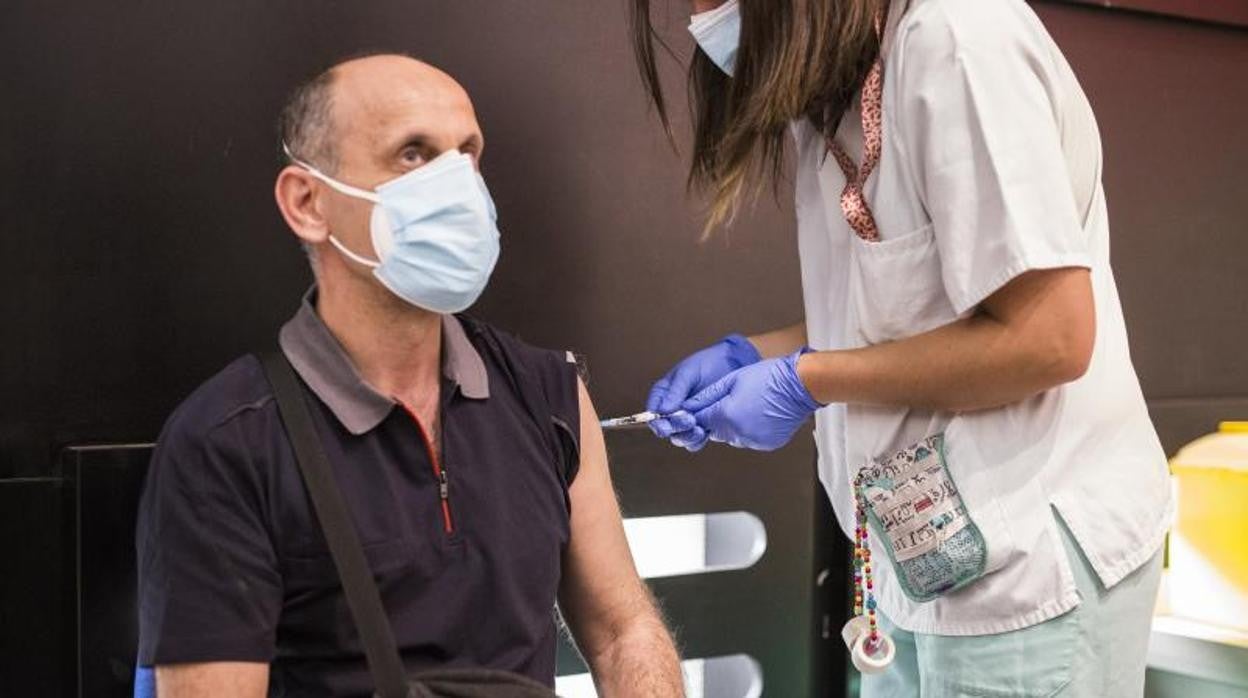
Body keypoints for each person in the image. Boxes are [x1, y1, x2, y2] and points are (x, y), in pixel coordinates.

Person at [630, 0, 1171, 695]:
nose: (702, 16)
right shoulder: (839, 85)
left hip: (1029, 565)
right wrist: (758, 355)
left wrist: (809, 379)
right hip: (921, 559)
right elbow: (908, 307)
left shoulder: (958, 38)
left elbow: (1049, 338)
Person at [134, 54, 683, 697]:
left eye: (468, 155)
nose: (457, 187)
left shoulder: (548, 394)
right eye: (414, 155)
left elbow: (624, 634)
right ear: (308, 202)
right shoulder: (226, 442)